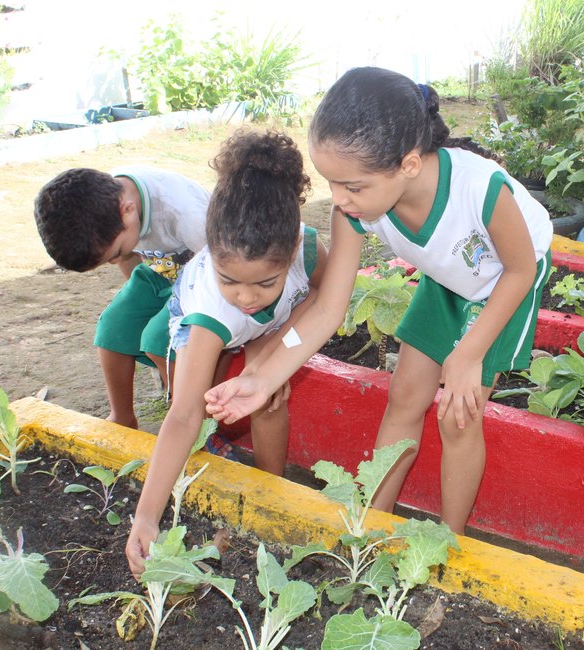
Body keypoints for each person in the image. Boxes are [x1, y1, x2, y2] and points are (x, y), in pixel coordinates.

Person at [205, 67, 553, 534]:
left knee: (458, 417)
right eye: (331, 183)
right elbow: (328, 308)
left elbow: (521, 269)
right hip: (447, 279)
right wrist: (263, 377)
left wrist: (467, 354)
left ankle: (450, 545)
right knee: (405, 397)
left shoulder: (480, 188)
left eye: (353, 186)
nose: (340, 199)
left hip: (503, 284)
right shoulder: (355, 211)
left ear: (409, 164)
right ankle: (369, 526)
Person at [125, 129, 326, 577]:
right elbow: (182, 416)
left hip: (273, 326)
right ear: (210, 252)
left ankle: (270, 496)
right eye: (230, 279)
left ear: (292, 249)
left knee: (270, 396)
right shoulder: (211, 313)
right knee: (197, 401)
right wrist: (145, 515)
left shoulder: (308, 249)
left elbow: (321, 296)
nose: (246, 296)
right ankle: (191, 474)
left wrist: (270, 360)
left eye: (264, 283)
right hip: (204, 325)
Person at [33, 164, 209, 429]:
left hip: (208, 277)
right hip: (162, 271)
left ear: (127, 211)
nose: (115, 260)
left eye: (115, 254)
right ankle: (122, 417)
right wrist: (137, 311)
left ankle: (191, 423)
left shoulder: (187, 215)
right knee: (113, 325)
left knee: (159, 338)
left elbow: (223, 279)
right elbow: (130, 260)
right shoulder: (105, 203)